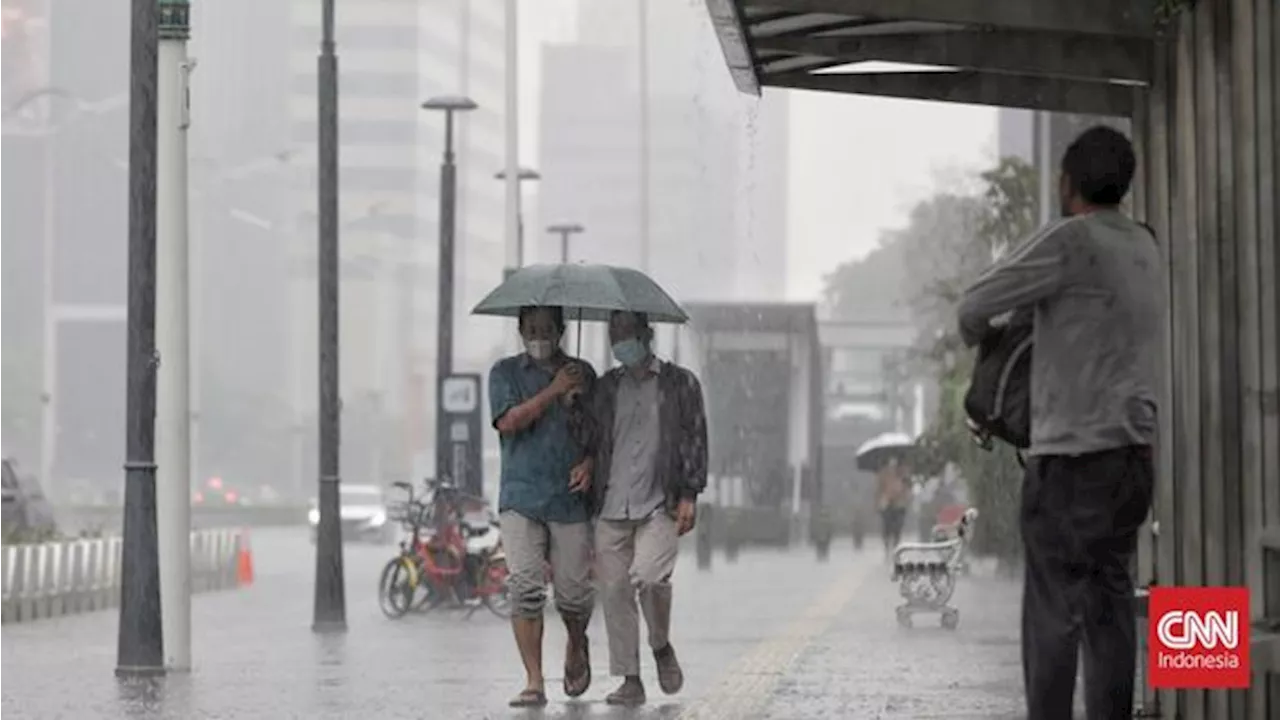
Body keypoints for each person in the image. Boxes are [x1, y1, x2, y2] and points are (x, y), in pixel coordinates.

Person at [956, 126, 1161, 720]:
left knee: (1052, 615)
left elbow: (973, 307)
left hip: (1071, 463)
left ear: (1068, 184)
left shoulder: (1071, 241)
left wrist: (992, 341)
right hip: (1133, 460)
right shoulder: (1145, 245)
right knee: (1109, 607)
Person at [584, 310, 707, 707]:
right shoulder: (603, 389)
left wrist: (690, 493)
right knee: (615, 592)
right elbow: (588, 438)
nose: (620, 340)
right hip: (610, 503)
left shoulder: (680, 383)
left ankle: (660, 644)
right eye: (613, 333)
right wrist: (573, 407)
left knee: (650, 578)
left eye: (627, 333)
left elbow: (695, 440)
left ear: (647, 334)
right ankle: (630, 679)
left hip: (661, 503)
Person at [488, 305, 597, 708]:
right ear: (519, 330)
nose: (539, 336)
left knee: (573, 593)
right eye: (531, 329)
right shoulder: (504, 373)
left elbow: (600, 431)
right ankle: (534, 680)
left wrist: (590, 460)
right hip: (520, 497)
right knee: (525, 588)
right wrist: (552, 391)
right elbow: (508, 422)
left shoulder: (583, 373)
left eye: (547, 328)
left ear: (562, 330)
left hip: (569, 500)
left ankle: (576, 642)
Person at [875, 456, 910, 556]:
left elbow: (907, 488)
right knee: (886, 528)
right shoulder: (883, 474)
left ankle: (896, 548)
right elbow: (878, 489)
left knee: (897, 529)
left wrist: (904, 496)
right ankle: (887, 549)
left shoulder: (903, 473)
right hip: (887, 504)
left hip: (899, 504)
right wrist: (879, 503)